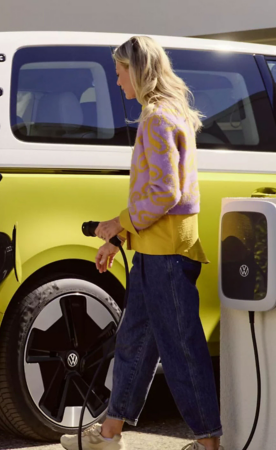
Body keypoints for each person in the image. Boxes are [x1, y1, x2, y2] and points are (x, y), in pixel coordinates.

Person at [60, 36, 223, 450]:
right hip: (156, 254)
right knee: (133, 344)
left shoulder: (156, 119)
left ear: (137, 70)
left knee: (182, 353)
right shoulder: (171, 115)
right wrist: (120, 237)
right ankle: (110, 434)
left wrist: (118, 223)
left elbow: (166, 192)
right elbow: (155, 192)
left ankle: (208, 445)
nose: (117, 82)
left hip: (166, 257)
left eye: (119, 72)